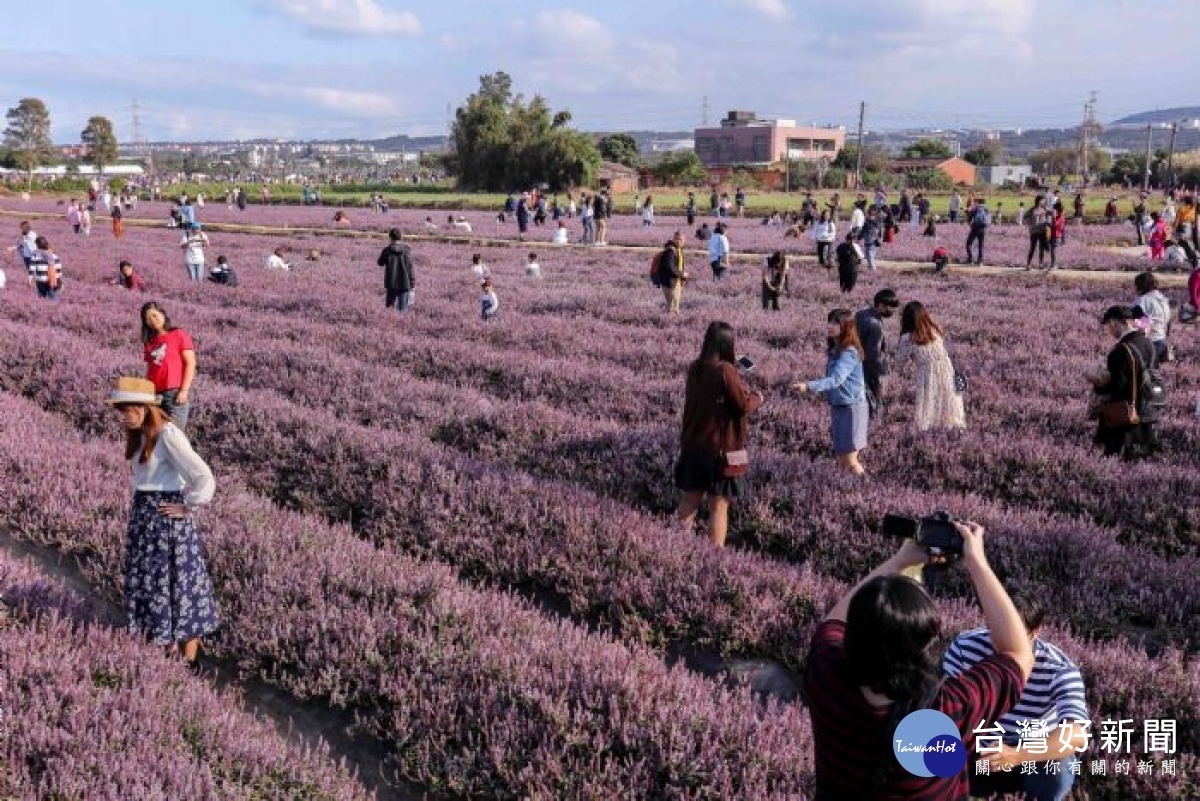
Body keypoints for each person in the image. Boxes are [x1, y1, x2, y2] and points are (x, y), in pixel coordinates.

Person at [804, 523, 1034, 799]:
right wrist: (976, 562)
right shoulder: (948, 710)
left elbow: (834, 621)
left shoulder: (827, 675)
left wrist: (899, 561)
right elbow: (1019, 653)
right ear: (925, 647)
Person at [108, 376, 218, 672]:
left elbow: (203, 476)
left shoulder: (168, 433)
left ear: (145, 407)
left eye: (128, 409)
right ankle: (168, 655)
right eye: (121, 410)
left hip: (167, 521)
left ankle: (192, 661)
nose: (124, 416)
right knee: (155, 587)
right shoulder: (141, 434)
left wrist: (188, 505)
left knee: (179, 586)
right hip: (145, 518)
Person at [944, 594, 1091, 801]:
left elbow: (1077, 734)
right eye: (996, 628)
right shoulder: (965, 647)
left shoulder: (1058, 668)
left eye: (1014, 633)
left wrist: (1017, 755)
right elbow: (942, 707)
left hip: (1030, 754)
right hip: (975, 748)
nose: (1002, 641)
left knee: (1058, 764)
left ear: (1036, 631)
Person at [674, 321, 763, 547]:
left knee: (688, 502)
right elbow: (741, 405)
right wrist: (757, 398)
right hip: (719, 452)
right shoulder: (726, 370)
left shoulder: (695, 367)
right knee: (719, 506)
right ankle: (715, 558)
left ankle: (673, 548)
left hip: (693, 446)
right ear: (727, 344)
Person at [792, 309, 870, 475]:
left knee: (850, 460)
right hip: (841, 405)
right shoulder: (836, 350)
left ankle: (865, 490)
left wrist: (808, 386)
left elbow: (836, 380)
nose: (830, 326)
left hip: (852, 408)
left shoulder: (849, 352)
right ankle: (850, 494)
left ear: (846, 327)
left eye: (835, 323)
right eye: (830, 321)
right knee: (843, 460)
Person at [1088, 305, 1157, 458]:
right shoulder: (1148, 343)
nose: (1109, 331)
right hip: (1146, 410)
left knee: (1115, 455)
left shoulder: (1119, 350)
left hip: (1124, 413)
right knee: (1142, 457)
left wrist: (1098, 383)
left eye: (1108, 327)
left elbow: (1119, 385)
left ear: (1114, 322)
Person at [894, 301, 967, 432]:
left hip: (928, 373)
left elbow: (899, 361)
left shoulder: (908, 337)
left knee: (928, 403)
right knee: (948, 401)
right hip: (947, 370)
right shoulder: (935, 329)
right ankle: (953, 432)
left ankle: (927, 434)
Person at [141, 302, 197, 432]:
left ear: (163, 314)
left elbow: (191, 363)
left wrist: (184, 390)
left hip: (174, 395)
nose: (152, 320)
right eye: (148, 319)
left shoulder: (178, 334)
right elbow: (150, 369)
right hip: (154, 395)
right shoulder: (150, 342)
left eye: (155, 315)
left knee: (173, 437)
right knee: (156, 439)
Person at [854, 290, 900, 417]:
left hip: (856, 363)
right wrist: (883, 374)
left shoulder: (860, 313)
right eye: (890, 307)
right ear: (880, 305)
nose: (892, 311)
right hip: (870, 368)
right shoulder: (875, 325)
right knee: (874, 403)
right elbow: (874, 355)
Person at [1133, 271, 1171, 366]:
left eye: (1136, 285)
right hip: (1162, 341)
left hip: (1150, 343)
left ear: (1140, 286)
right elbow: (1169, 322)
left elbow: (1143, 326)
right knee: (1155, 374)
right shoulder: (1162, 298)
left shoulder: (1143, 301)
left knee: (1146, 374)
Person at [377, 227, 415, 312]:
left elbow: (380, 263)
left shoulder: (387, 250)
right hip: (405, 283)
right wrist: (413, 284)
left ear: (390, 237)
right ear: (401, 237)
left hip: (391, 283)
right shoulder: (407, 250)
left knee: (389, 309)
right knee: (402, 311)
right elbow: (411, 268)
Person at [658, 231, 688, 314]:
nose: (679, 241)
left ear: (684, 241)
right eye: (677, 239)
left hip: (674, 281)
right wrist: (682, 274)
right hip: (670, 282)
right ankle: (671, 323)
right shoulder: (670, 251)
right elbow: (669, 267)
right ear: (673, 239)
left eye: (681, 239)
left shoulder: (678, 250)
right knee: (673, 308)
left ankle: (670, 322)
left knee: (672, 305)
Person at [28, 235, 61, 300]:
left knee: (42, 297)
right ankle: (54, 308)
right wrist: (58, 278)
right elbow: (58, 267)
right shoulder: (53, 254)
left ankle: (42, 308)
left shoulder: (35, 254)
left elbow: (32, 268)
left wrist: (30, 279)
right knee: (52, 296)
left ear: (37, 245)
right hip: (52, 279)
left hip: (41, 280)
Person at [1025, 195, 1052, 269]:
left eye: (1044, 200)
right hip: (1034, 231)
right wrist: (1030, 224)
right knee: (1032, 247)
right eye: (1043, 200)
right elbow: (1025, 217)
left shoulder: (1045, 209)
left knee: (1041, 248)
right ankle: (1028, 264)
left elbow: (1050, 215)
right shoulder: (1032, 209)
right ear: (1038, 200)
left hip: (1042, 231)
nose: (1044, 201)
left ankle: (1041, 264)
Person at [964, 198, 990, 265]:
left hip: (975, 228)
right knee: (981, 245)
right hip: (983, 229)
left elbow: (969, 217)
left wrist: (970, 224)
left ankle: (970, 260)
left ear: (978, 202)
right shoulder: (986, 209)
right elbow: (989, 220)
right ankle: (980, 262)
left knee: (969, 244)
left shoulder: (976, 209)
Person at [858, 206, 882, 271]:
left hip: (873, 243)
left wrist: (859, 237)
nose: (871, 216)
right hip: (870, 243)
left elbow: (878, 231)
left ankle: (873, 273)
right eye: (871, 214)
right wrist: (858, 237)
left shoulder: (875, 221)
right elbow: (863, 231)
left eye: (873, 214)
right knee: (870, 259)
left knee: (870, 259)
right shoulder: (868, 222)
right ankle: (871, 272)